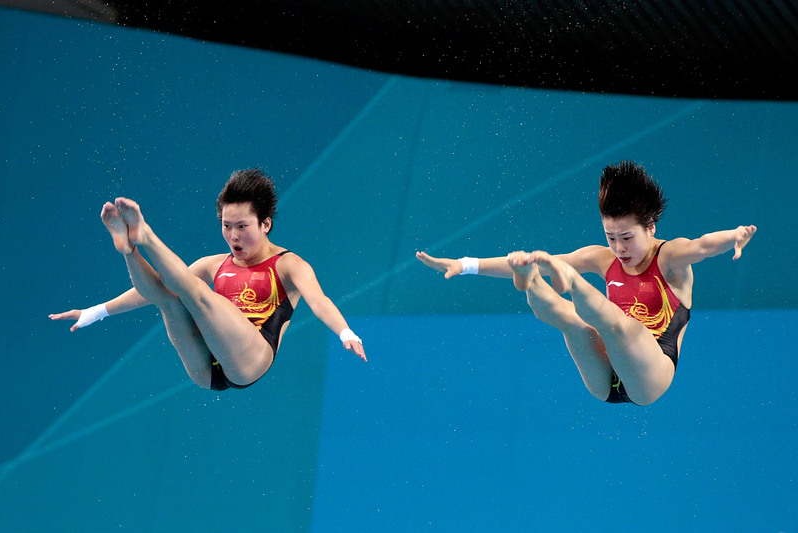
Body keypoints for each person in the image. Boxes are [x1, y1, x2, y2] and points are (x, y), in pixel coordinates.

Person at [417, 161, 756, 405]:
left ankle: (572, 283)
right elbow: (526, 260)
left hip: (651, 378)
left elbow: (703, 244)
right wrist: (463, 265)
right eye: (611, 237)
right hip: (605, 381)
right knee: (570, 319)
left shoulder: (670, 258)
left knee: (624, 327)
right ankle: (532, 280)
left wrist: (734, 236)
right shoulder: (602, 257)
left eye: (626, 237)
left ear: (650, 227)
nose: (619, 248)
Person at [50, 168, 366, 391]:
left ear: (265, 224)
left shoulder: (288, 265)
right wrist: (95, 312)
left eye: (242, 226)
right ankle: (128, 249)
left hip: (251, 361)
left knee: (196, 292)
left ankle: (145, 235)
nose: (233, 235)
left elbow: (319, 301)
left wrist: (345, 332)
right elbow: (152, 290)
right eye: (226, 226)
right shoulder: (214, 264)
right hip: (207, 371)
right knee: (167, 296)